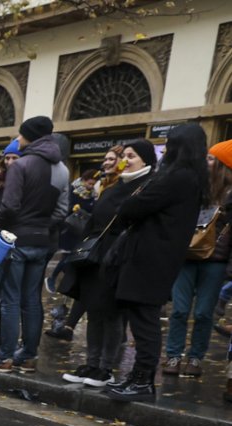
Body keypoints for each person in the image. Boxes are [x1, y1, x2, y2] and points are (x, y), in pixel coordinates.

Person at [105, 125, 208, 402]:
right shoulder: (192, 178)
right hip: (158, 256)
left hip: (149, 257)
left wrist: (133, 200)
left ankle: (142, 379)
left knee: (144, 320)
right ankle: (139, 377)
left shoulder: (177, 177)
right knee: (143, 318)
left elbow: (130, 208)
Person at [59, 140, 154, 391]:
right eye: (125, 156)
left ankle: (106, 367)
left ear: (145, 160)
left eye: (131, 156)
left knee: (111, 313)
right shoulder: (117, 184)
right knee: (94, 311)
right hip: (96, 255)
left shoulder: (146, 185)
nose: (126, 161)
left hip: (117, 257)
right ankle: (92, 363)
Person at [0, 115, 68, 373]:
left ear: (29, 136)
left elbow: (10, 205)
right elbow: (62, 211)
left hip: (16, 239)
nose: (18, 139)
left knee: (10, 300)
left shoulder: (21, 166)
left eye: (21, 134)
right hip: (41, 241)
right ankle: (28, 356)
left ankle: (5, 356)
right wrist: (41, 226)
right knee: (32, 300)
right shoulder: (62, 169)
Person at [162, 139, 231, 379]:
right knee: (179, 309)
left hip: (215, 260)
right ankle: (173, 355)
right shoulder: (195, 186)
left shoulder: (230, 196)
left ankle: (195, 357)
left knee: (204, 313)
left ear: (223, 165)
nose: (206, 162)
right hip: (187, 254)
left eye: (211, 159)